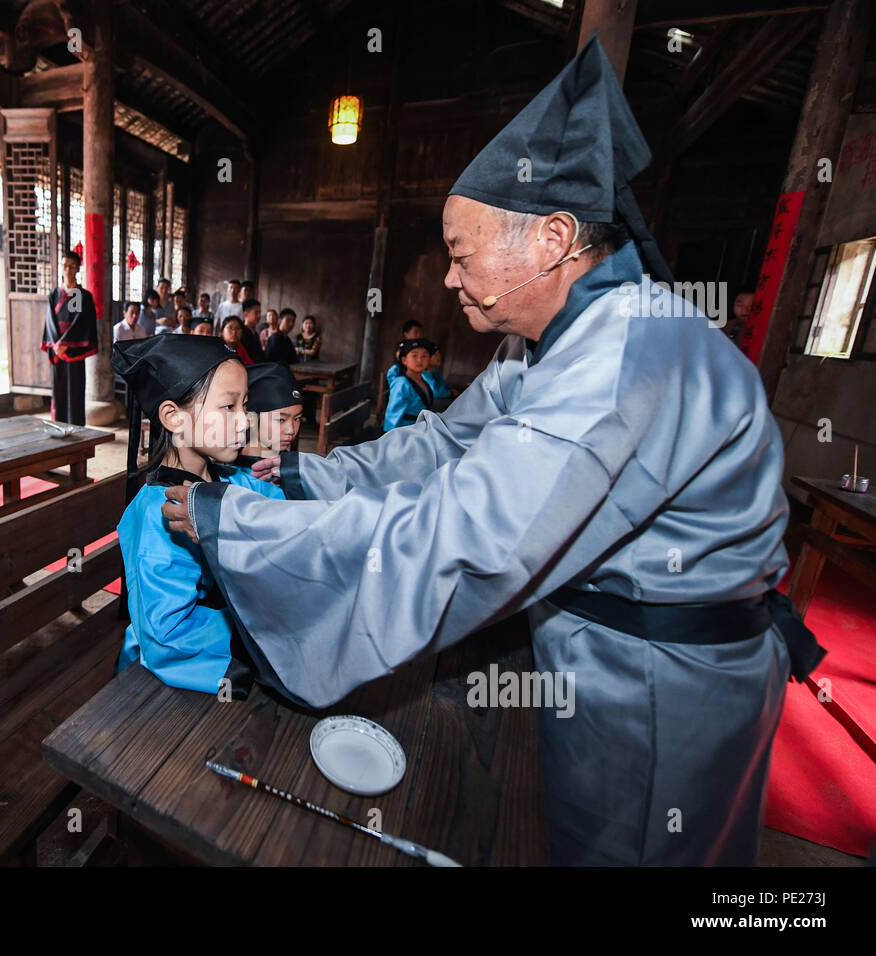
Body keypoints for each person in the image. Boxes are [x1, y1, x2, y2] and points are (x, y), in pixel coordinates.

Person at [160, 36, 823, 867]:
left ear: (550, 239)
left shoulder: (627, 358)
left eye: (462, 254)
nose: (448, 279)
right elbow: (443, 446)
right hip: (594, 657)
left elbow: (466, 535)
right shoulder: (548, 341)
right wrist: (303, 473)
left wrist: (243, 530)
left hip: (658, 686)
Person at [110, 335, 285, 696]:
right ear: (174, 417)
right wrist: (265, 637)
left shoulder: (229, 477)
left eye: (246, 405)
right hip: (179, 678)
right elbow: (168, 637)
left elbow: (280, 509)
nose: (244, 422)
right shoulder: (160, 514)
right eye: (228, 407)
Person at [42, 249, 98, 426]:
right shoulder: (54, 295)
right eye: (65, 265)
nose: (67, 269)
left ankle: (75, 427)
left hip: (73, 350)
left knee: (75, 390)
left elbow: (79, 323)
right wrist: (56, 345)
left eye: (72, 266)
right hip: (57, 348)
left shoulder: (80, 295)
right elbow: (50, 320)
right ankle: (59, 425)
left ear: (77, 269)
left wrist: (66, 344)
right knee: (58, 390)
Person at [237, 362, 304, 470]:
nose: (290, 430)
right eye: (281, 420)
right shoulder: (247, 476)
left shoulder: (281, 458)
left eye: (297, 418)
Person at [383, 338, 444, 430]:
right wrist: (389, 439)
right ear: (404, 360)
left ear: (429, 359)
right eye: (414, 356)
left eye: (424, 356)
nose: (419, 360)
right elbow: (392, 416)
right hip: (405, 433)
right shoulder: (401, 383)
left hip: (419, 429)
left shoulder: (425, 381)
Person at [239, 298, 265, 363]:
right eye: (256, 313)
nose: (259, 316)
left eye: (260, 312)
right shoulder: (240, 332)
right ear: (246, 314)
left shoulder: (255, 334)